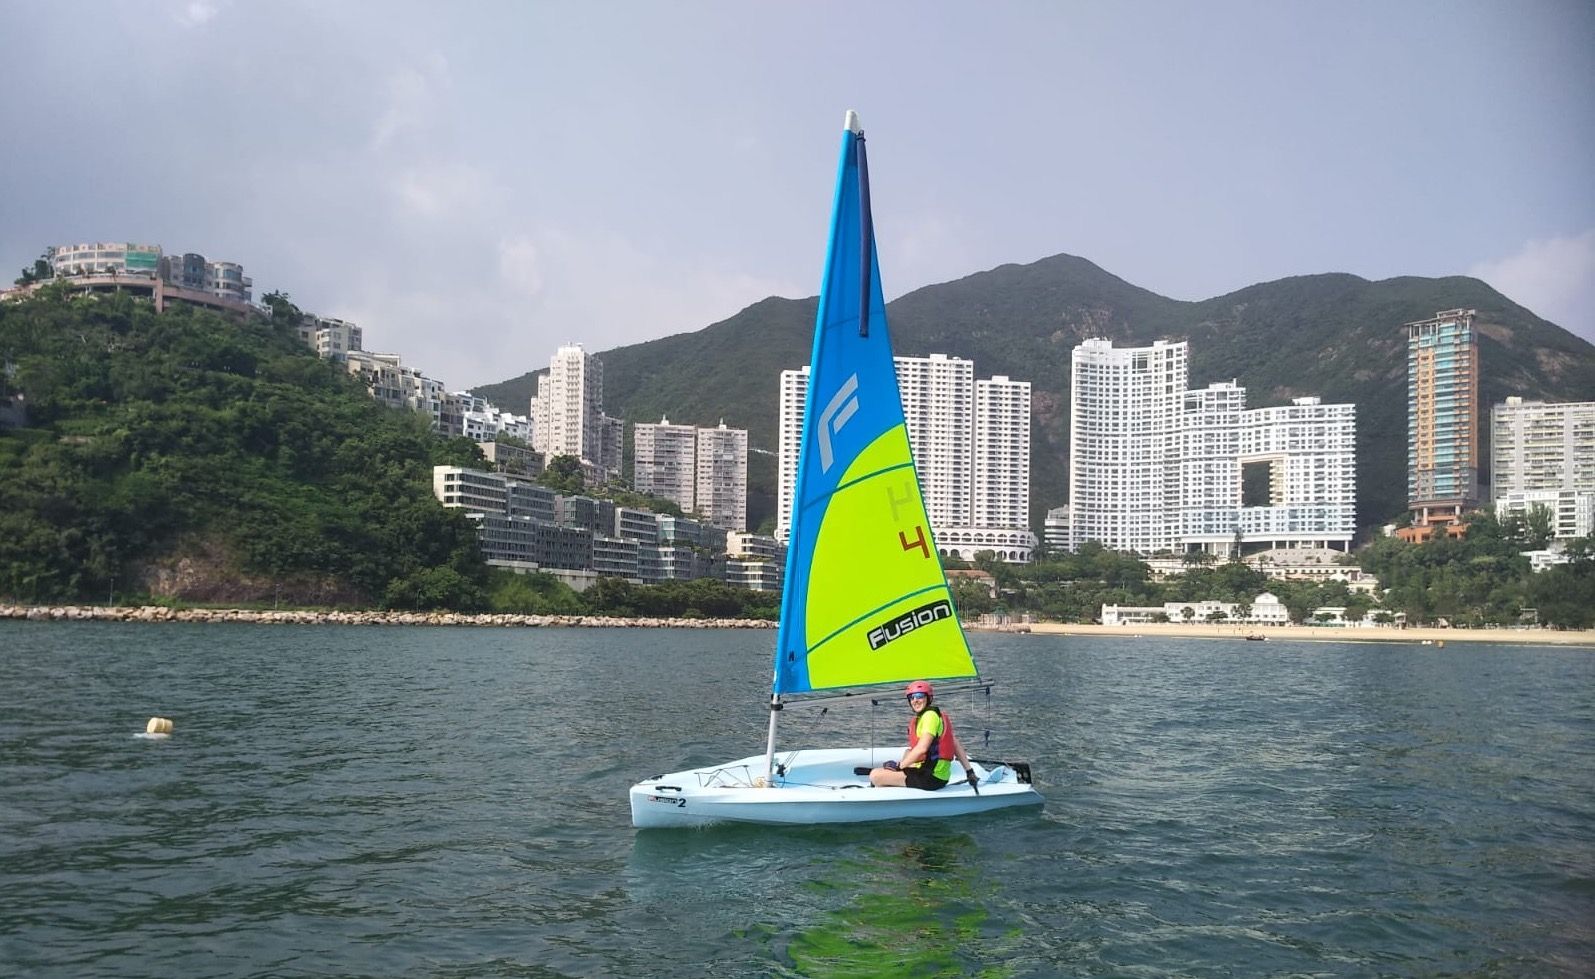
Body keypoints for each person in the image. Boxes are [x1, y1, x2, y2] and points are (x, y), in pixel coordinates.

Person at [869, 680, 978, 790]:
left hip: (930, 777)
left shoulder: (929, 716)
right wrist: (969, 771)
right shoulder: (930, 716)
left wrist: (899, 766)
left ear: (928, 698)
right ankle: (897, 780)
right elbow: (954, 744)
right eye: (911, 697)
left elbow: (922, 749)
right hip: (937, 775)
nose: (915, 700)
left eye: (919, 696)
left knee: (875, 775)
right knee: (908, 752)